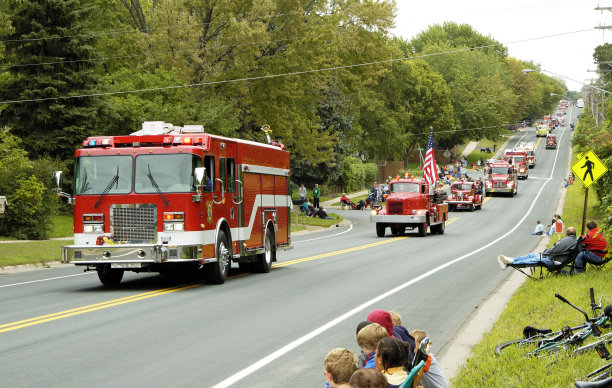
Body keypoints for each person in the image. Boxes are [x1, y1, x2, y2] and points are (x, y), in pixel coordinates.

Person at [497, 227, 578, 269]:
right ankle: (513, 260)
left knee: (533, 259)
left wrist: (545, 253)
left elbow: (555, 250)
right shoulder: (573, 240)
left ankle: (508, 264)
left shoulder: (566, 241)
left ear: (567, 233)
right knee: (530, 255)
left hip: (554, 260)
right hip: (555, 258)